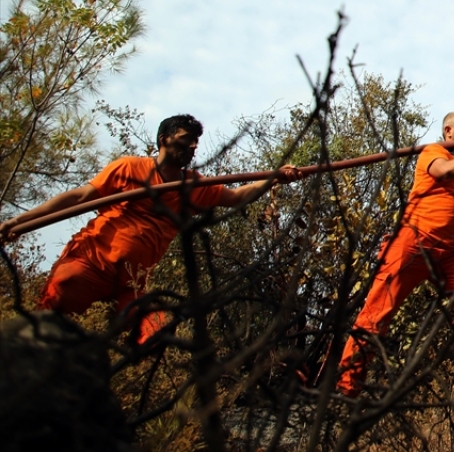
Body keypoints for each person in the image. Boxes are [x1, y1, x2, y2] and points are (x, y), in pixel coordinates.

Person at [0, 114, 299, 342]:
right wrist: (19, 221)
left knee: (155, 333)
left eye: (196, 142)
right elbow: (80, 197)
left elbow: (236, 197)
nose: (193, 147)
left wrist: (274, 177)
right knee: (49, 318)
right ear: (165, 139)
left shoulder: (193, 186)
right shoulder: (129, 168)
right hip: (91, 263)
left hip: (131, 284)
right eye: (186, 139)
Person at [336, 110, 454, 396]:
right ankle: (345, 389)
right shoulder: (433, 152)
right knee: (377, 314)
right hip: (412, 243)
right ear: (448, 131)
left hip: (448, 253)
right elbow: (444, 172)